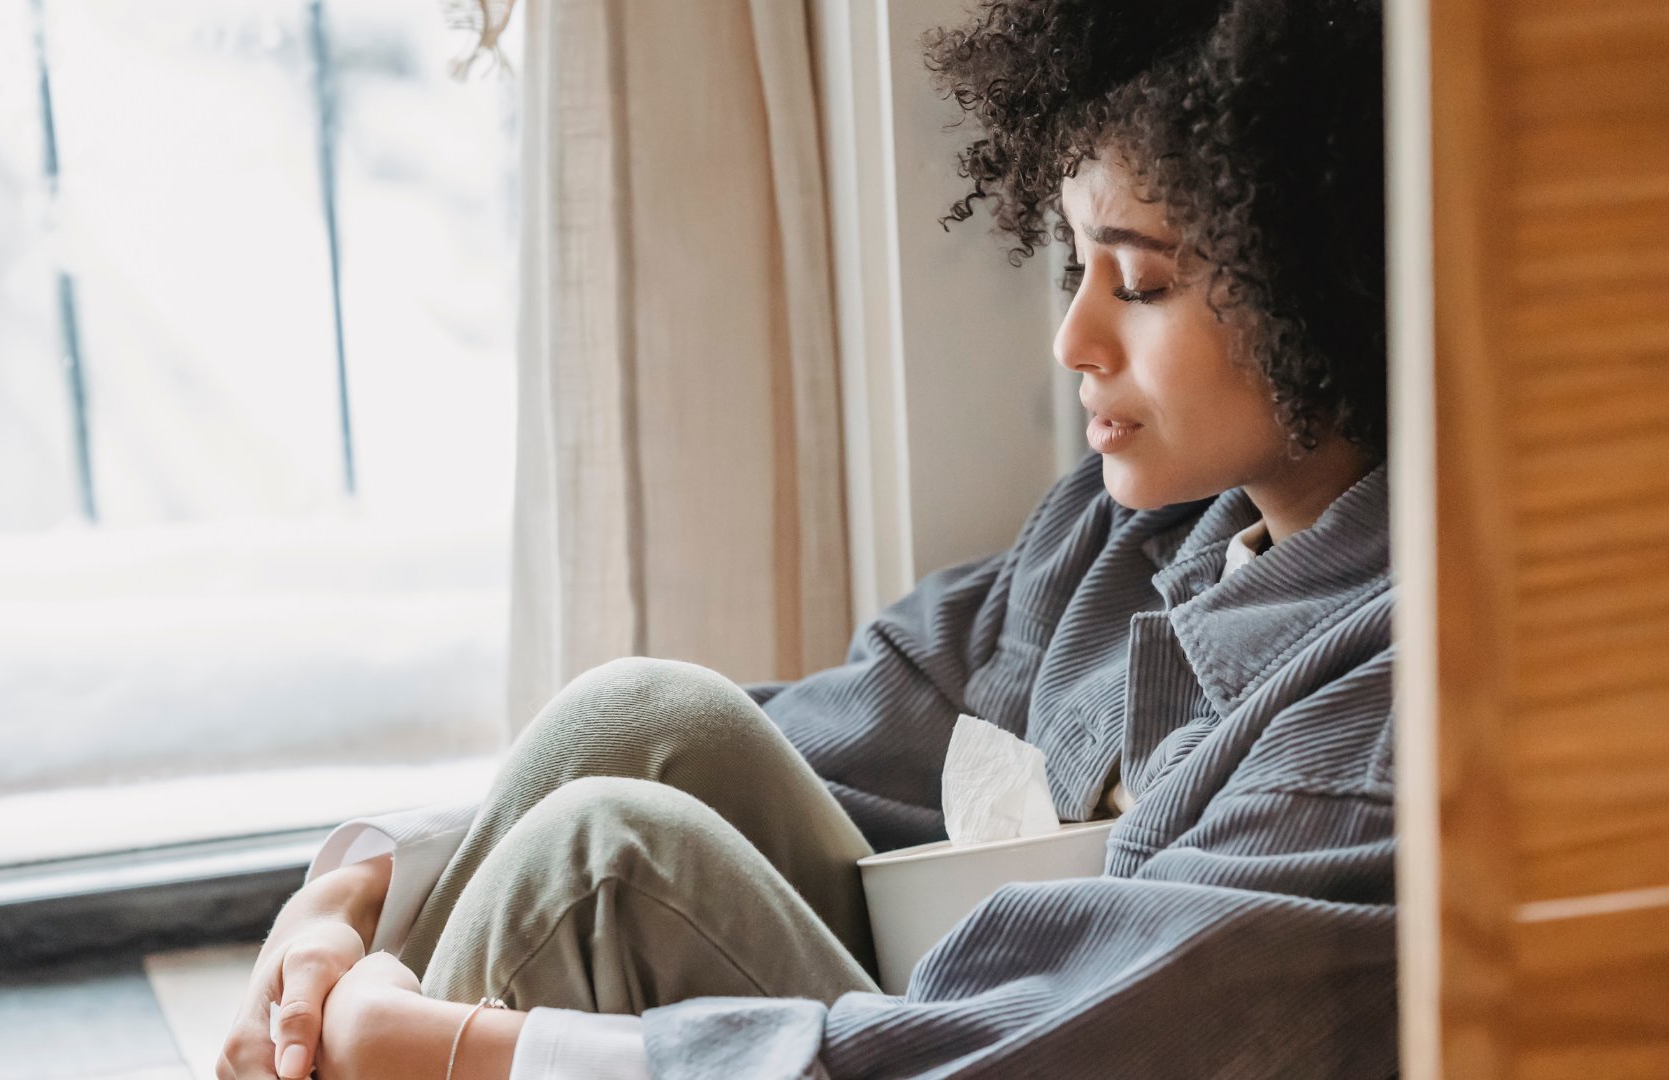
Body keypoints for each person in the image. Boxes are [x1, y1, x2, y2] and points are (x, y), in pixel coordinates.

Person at [218, 0, 1395, 1075]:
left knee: (603, 867)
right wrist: (369, 888)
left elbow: (1044, 1053)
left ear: (1320, 280)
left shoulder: (1383, 715)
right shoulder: (1133, 531)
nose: (1074, 337)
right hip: (932, 1017)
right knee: (639, 720)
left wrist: (476, 1053)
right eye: (1073, 262)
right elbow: (830, 729)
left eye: (1136, 283)